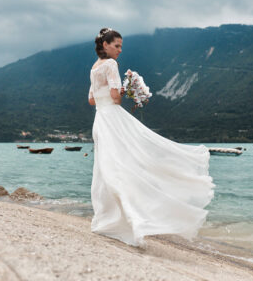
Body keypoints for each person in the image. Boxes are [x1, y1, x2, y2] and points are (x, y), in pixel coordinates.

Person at [88, 28, 215, 246]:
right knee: (130, 163)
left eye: (120, 47)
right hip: (112, 118)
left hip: (100, 120)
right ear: (106, 45)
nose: (119, 50)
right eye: (116, 46)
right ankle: (132, 218)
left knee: (106, 168)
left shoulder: (94, 67)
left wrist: (119, 91)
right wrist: (127, 89)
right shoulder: (110, 65)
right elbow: (115, 97)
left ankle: (107, 219)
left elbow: (91, 99)